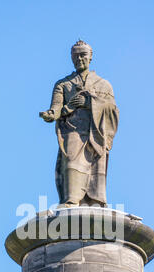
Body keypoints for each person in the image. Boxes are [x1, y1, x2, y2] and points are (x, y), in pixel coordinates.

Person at [40, 40, 119, 207]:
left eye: (83, 55)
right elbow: (56, 108)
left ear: (90, 57)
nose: (79, 59)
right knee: (70, 161)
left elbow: (112, 110)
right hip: (72, 129)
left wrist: (89, 102)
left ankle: (95, 201)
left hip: (96, 131)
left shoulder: (103, 85)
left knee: (95, 164)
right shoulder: (63, 84)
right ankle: (71, 199)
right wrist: (53, 114)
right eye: (75, 56)